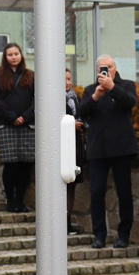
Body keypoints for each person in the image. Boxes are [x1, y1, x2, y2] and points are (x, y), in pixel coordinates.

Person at [77, 55, 139, 249]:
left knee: (124, 192)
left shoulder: (126, 85)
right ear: (97, 71)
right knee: (96, 192)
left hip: (121, 148)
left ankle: (123, 234)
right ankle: (99, 234)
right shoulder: (90, 90)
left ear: (115, 67)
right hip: (98, 149)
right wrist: (96, 96)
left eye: (110, 67)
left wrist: (112, 87)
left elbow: (130, 102)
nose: (107, 71)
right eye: (103, 68)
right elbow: (81, 111)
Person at [0, 43, 34, 211]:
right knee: (11, 164)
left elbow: (36, 99)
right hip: (6, 124)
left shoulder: (30, 75)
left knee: (25, 164)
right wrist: (13, 117)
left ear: (21, 55)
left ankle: (20, 201)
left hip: (27, 124)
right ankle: (10, 200)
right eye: (10, 54)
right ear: (5, 57)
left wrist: (25, 116)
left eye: (16, 53)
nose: (13, 57)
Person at [65, 69, 85, 235]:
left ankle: (67, 221)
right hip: (60, 146)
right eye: (64, 79)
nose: (67, 82)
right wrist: (70, 124)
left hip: (75, 145)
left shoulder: (75, 97)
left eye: (69, 78)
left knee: (72, 184)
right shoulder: (50, 97)